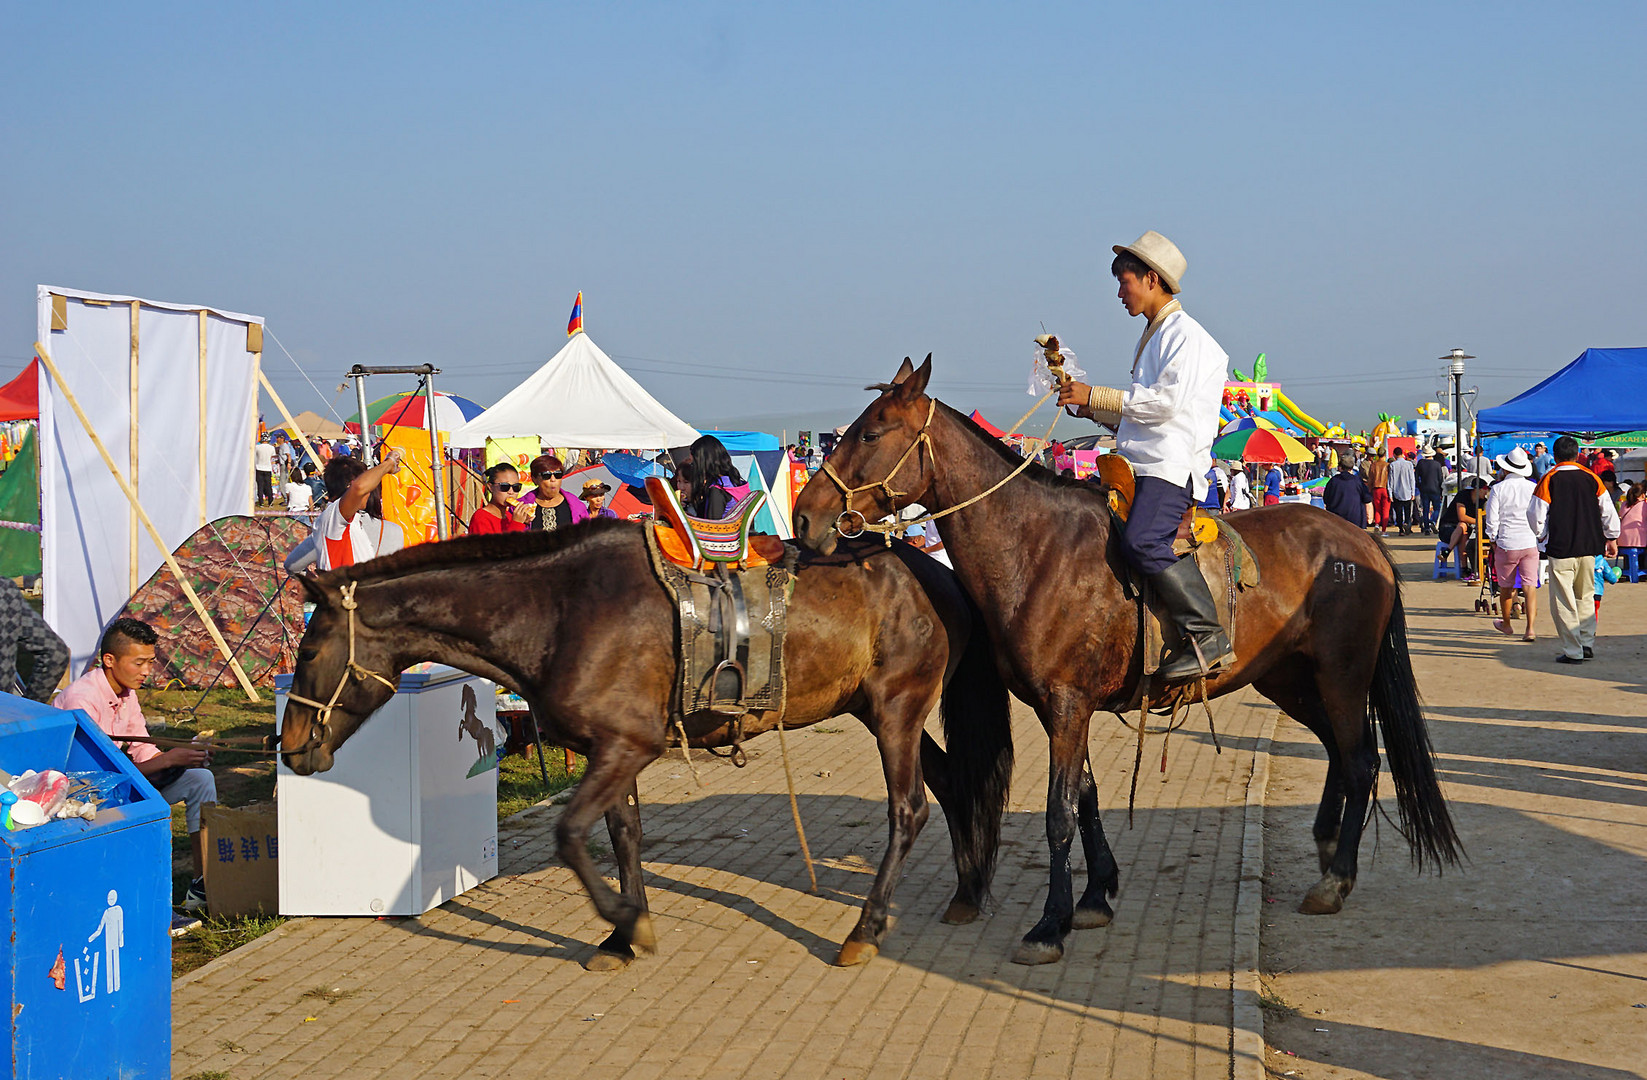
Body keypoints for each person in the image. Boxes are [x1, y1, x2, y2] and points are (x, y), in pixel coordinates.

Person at [1055, 230, 1233, 681]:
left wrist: (1095, 392)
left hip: (1169, 469)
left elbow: (1164, 404)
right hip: (1139, 465)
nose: (1119, 293)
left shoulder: (1187, 337)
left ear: (1152, 279)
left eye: (1125, 282)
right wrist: (1088, 406)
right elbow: (1140, 415)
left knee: (1141, 542)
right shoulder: (1155, 337)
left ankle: (1207, 634)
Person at [58, 618, 215, 915]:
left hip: (115, 785)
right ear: (109, 660)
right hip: (83, 797)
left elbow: (143, 750)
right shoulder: (83, 699)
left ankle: (202, 882)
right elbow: (98, 777)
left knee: (200, 779)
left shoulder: (126, 692)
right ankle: (145, 897)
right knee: (146, 808)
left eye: (150, 662)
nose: (146, 671)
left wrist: (185, 758)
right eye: (139, 662)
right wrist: (170, 759)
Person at [1529, 435, 1620, 663]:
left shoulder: (1549, 478)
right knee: (1586, 595)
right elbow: (1607, 510)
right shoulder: (1592, 478)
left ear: (1556, 455)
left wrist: (1541, 537)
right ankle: (1587, 643)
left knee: (1563, 600)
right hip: (1590, 546)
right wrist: (1611, 537)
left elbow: (1535, 515)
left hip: (1561, 547)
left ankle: (1573, 649)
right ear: (1577, 454)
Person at [305, 450, 406, 572]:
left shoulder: (345, 523)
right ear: (350, 487)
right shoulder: (334, 516)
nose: (368, 493)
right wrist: (388, 464)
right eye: (368, 488)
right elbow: (359, 488)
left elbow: (291, 565)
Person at [1482, 447, 1540, 641]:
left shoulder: (1498, 489)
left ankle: (1506, 624)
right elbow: (1539, 514)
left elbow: (1492, 519)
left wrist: (1492, 538)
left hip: (1507, 542)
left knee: (1505, 587)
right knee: (1529, 586)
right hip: (1530, 541)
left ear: (1505, 469)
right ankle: (1530, 628)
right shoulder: (1533, 487)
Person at [0, 577, 68, 702]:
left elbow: (56, 653)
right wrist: (28, 708)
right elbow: (56, 653)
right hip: (6, 714)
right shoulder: (4, 590)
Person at [683, 435, 751, 520]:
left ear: (702, 463)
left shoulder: (717, 491)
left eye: (693, 464)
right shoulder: (734, 483)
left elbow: (711, 527)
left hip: (724, 532)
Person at [523, 454, 589, 531]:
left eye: (558, 475)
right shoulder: (521, 506)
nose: (553, 479)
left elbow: (588, 536)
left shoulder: (576, 506)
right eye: (546, 475)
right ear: (534, 479)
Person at [1439, 480, 1485, 579]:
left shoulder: (1482, 501)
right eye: (1484, 489)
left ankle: (1448, 553)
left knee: (1463, 531)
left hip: (1462, 531)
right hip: (1447, 528)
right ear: (1476, 490)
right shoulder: (1463, 496)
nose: (1486, 492)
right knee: (1462, 525)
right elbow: (1462, 516)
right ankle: (1463, 568)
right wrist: (1479, 521)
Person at [468, 463, 533, 534]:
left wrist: (524, 523)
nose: (511, 492)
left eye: (516, 487)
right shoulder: (481, 517)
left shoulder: (509, 516)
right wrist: (516, 524)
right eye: (504, 486)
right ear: (490, 487)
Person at [1322, 455, 1373, 528]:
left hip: (1335, 520)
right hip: (1356, 521)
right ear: (1352, 467)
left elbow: (1326, 499)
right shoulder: (1358, 481)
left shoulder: (1333, 481)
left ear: (1340, 467)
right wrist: (1369, 517)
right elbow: (1367, 500)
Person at [1416, 448, 1448, 535]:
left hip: (1424, 489)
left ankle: (1426, 527)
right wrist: (1441, 489)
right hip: (1435, 489)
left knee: (1425, 509)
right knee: (1437, 508)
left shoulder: (1420, 463)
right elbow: (1440, 478)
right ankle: (1433, 521)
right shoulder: (1437, 464)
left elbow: (1416, 477)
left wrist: (1419, 486)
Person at [1388, 445, 1417, 534]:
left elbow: (1390, 480)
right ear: (1402, 454)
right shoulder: (1409, 464)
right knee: (1408, 511)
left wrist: (1390, 493)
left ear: (1394, 455)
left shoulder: (1392, 465)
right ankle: (1407, 525)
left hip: (1397, 491)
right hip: (1407, 491)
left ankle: (1401, 528)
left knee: (1398, 511)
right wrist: (1413, 492)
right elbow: (1412, 479)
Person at [1364, 448, 1391, 533]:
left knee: (1377, 509)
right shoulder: (1387, 465)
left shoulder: (1373, 465)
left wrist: (1370, 488)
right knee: (1386, 510)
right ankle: (1384, 530)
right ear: (1385, 454)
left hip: (1376, 488)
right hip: (1385, 488)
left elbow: (1370, 478)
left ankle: (1377, 524)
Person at [253, 437, 276, 507]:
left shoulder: (257, 447)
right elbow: (273, 458)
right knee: (268, 486)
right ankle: (270, 502)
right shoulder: (272, 448)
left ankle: (261, 502)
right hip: (268, 468)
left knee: (260, 486)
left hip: (259, 468)